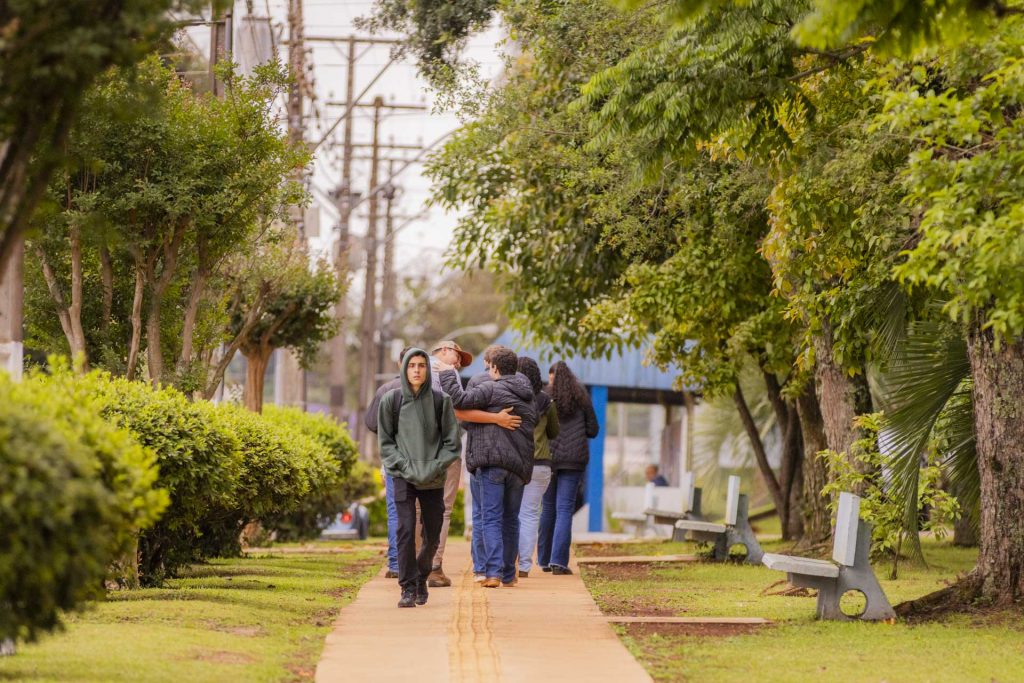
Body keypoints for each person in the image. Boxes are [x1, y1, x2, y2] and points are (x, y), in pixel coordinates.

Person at [365, 345, 520, 581]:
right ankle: (428, 569)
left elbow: (376, 428)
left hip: (428, 462)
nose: (458, 363)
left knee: (416, 515)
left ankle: (413, 567)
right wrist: (495, 419)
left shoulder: (399, 389)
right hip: (420, 463)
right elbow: (459, 412)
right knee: (432, 514)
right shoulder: (443, 377)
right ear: (443, 350)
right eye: (457, 356)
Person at [438, 347, 536, 588]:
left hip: (492, 462)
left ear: (494, 367)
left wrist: (449, 373)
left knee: (490, 517)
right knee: (511, 519)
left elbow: (459, 401)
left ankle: (492, 573)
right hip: (519, 466)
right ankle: (508, 574)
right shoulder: (528, 394)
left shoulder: (491, 387)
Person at [377, 349, 461, 608]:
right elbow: (386, 444)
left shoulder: (441, 401)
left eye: (421, 365)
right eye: (412, 365)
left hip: (433, 478)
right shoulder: (391, 400)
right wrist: (403, 465)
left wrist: (435, 466)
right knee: (404, 529)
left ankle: (422, 577)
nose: (416, 370)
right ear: (404, 369)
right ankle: (407, 587)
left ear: (427, 369)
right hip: (402, 476)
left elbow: (452, 443)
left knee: (432, 534)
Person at [537, 361, 599, 575]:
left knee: (547, 508)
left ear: (552, 376)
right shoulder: (581, 397)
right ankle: (559, 563)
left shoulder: (545, 396)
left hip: (550, 458)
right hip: (574, 460)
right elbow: (593, 429)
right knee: (564, 509)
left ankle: (543, 560)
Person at [516, 356, 559, 578]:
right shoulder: (546, 401)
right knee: (530, 514)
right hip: (541, 463)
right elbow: (554, 431)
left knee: (511, 512)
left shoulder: (511, 397)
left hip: (515, 462)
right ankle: (524, 564)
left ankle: (508, 559)